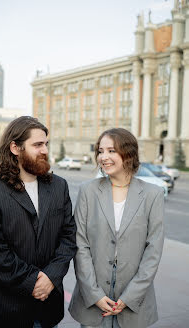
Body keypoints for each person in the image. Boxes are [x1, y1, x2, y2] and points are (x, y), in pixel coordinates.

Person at [0, 116, 76, 328]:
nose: (45, 150)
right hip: (3, 312)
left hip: (47, 310)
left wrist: (51, 277)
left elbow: (68, 237)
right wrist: (34, 281)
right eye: (37, 145)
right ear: (15, 148)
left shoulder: (59, 187)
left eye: (46, 144)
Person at [69, 128, 164, 328]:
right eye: (100, 151)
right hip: (92, 304)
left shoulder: (152, 194)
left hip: (134, 306)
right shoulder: (88, 191)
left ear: (128, 153)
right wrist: (94, 294)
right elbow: (80, 244)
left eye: (111, 151)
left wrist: (130, 297)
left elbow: (153, 251)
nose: (104, 157)